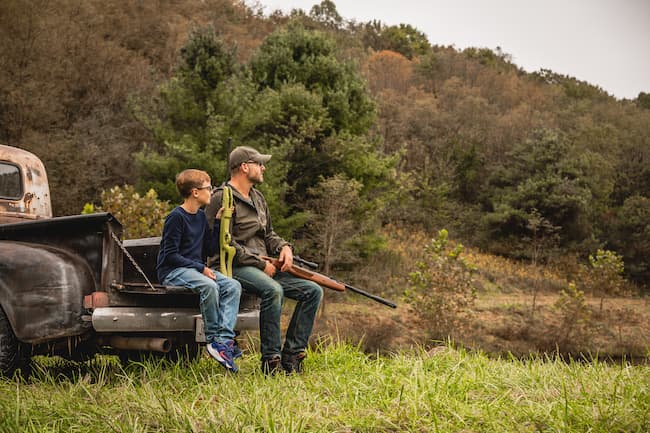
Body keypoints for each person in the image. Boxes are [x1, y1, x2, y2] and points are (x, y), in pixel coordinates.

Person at [206, 146, 323, 374]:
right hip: (232, 265)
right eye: (260, 164)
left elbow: (268, 234)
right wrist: (261, 264)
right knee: (273, 290)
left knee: (313, 291)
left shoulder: (258, 198)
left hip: (264, 265)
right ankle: (271, 360)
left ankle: (292, 356)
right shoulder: (221, 197)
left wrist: (285, 248)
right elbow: (223, 244)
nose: (263, 168)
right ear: (244, 166)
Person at [156, 169, 242, 372]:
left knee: (233, 286)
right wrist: (200, 268)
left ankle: (224, 340)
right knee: (209, 286)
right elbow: (170, 255)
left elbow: (210, 249)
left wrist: (220, 222)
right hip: (173, 271)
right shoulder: (176, 217)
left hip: (194, 270)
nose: (211, 192)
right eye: (208, 188)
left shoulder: (201, 218)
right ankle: (212, 340)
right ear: (195, 192)